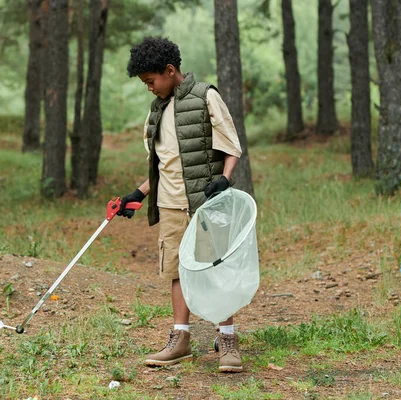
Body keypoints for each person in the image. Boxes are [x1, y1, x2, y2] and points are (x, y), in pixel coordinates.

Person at [117, 37, 243, 372]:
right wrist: (138, 194)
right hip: (170, 204)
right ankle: (181, 338)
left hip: (207, 203)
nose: (149, 88)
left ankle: (227, 339)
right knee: (177, 270)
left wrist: (225, 180)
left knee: (216, 268)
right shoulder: (156, 110)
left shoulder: (206, 96)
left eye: (151, 81)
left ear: (170, 71)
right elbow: (160, 164)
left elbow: (232, 147)